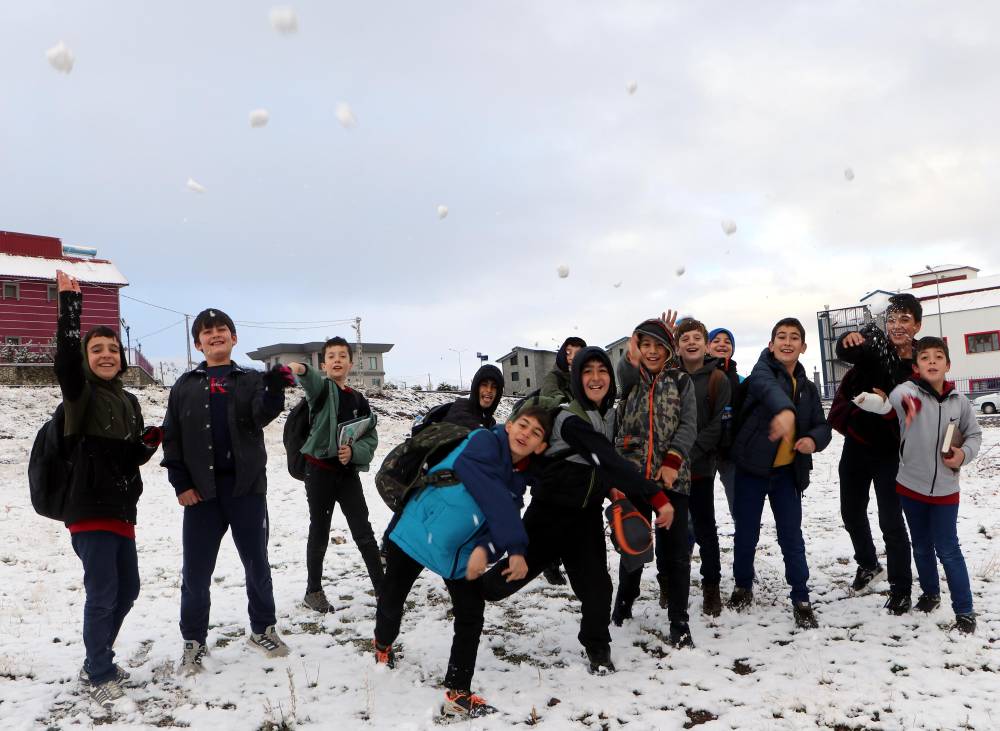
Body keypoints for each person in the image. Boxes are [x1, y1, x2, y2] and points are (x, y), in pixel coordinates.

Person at [481, 347, 675, 675]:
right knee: (509, 578)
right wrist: (656, 498)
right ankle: (467, 590)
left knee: (598, 589)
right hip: (549, 517)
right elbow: (606, 458)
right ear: (576, 378)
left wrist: (612, 491)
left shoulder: (609, 416)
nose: (596, 377)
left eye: (602, 370)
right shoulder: (569, 419)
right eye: (588, 371)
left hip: (585, 518)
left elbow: (600, 467)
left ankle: (597, 648)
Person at [373, 408, 550, 718]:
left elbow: (497, 523)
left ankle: (458, 691)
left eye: (536, 433)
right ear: (509, 426)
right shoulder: (482, 442)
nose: (526, 433)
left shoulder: (516, 484)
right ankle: (383, 644)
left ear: (540, 447)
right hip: (417, 530)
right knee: (392, 599)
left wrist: (486, 550)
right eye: (523, 424)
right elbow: (486, 486)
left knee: (470, 614)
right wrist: (517, 546)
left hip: (458, 553)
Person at [161, 308, 295, 674]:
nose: (215, 335)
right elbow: (171, 439)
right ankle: (193, 642)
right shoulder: (184, 385)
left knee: (257, 564)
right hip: (200, 495)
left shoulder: (249, 379)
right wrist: (181, 484)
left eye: (222, 329)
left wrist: (274, 386)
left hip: (246, 489)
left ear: (234, 338)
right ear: (197, 343)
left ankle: (263, 629)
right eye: (207, 332)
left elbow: (262, 414)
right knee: (196, 573)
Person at [53, 271, 161, 713]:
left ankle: (96, 659)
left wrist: (151, 442)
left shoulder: (128, 401)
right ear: (85, 357)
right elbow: (64, 363)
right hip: (89, 508)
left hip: (121, 508)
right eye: (96, 349)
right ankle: (98, 671)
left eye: (112, 349)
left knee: (128, 590)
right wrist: (70, 310)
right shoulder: (81, 395)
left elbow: (129, 457)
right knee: (103, 593)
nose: (106, 355)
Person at [854, 336, 982, 633]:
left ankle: (965, 611)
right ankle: (930, 594)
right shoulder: (907, 393)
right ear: (917, 365)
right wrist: (875, 402)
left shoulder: (960, 403)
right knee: (922, 546)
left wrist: (963, 454)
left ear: (948, 364)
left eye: (939, 357)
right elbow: (888, 406)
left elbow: (974, 436)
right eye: (926, 358)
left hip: (946, 491)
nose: (932, 362)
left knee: (948, 549)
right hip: (910, 486)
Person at [727, 318, 831, 629]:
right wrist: (785, 411)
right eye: (781, 337)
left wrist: (813, 440)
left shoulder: (809, 389)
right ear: (771, 345)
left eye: (794, 337)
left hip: (787, 474)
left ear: (803, 346)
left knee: (791, 536)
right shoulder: (761, 372)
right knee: (747, 533)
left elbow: (822, 425)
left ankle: (801, 597)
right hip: (751, 469)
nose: (787, 342)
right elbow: (768, 389)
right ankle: (743, 585)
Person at [832, 294, 921, 611]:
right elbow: (846, 351)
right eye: (893, 319)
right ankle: (868, 563)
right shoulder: (876, 345)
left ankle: (901, 589)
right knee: (850, 512)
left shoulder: (923, 361)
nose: (897, 326)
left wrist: (887, 404)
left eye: (905, 320)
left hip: (892, 453)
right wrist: (846, 338)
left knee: (891, 522)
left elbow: (918, 409)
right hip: (856, 444)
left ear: (917, 325)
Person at [613, 320, 698, 646]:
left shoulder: (681, 381)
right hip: (633, 477)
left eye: (657, 345)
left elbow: (689, 424)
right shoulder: (632, 380)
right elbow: (624, 371)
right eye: (644, 345)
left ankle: (679, 621)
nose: (651, 351)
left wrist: (673, 462)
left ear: (668, 350)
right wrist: (628, 355)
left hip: (672, 480)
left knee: (676, 553)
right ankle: (624, 603)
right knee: (632, 546)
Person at [286, 337, 382, 613]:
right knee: (320, 530)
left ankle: (383, 589)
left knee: (363, 531)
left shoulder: (358, 399)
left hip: (347, 474)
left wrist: (354, 453)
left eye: (342, 356)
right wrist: (301, 369)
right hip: (319, 472)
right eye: (331, 356)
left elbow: (370, 436)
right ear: (324, 363)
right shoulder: (321, 391)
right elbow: (311, 380)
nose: (337, 360)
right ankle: (313, 592)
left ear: (351, 363)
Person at [675, 318, 731, 616]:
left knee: (705, 528)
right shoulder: (669, 376)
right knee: (672, 528)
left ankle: (711, 587)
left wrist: (690, 452)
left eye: (697, 337)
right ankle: (670, 583)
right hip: (670, 468)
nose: (692, 343)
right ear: (678, 345)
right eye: (685, 339)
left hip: (700, 466)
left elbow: (718, 423)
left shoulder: (717, 379)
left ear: (706, 344)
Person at [538, 335, 586, 585]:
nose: (574, 356)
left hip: (578, 453)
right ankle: (550, 562)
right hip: (556, 453)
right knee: (554, 510)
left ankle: (563, 559)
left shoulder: (585, 377)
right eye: (569, 352)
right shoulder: (554, 378)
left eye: (579, 351)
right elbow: (552, 402)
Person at [707, 327, 741, 518]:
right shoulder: (698, 375)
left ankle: (744, 544)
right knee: (697, 507)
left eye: (727, 341)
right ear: (707, 346)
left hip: (731, 451)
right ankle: (686, 547)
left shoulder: (740, 379)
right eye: (716, 340)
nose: (722, 344)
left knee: (739, 503)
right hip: (703, 451)